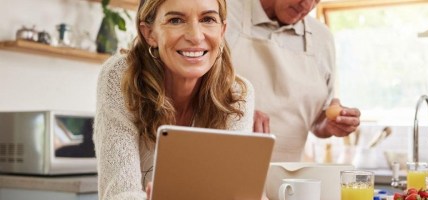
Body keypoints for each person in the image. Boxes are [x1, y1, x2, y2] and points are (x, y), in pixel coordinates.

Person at [92, 0, 254, 199]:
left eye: (208, 19)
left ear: (222, 30)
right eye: (176, 20)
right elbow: (118, 194)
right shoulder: (121, 77)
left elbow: (234, 191)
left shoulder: (237, 93)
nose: (195, 36)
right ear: (149, 33)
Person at [225, 0, 361, 162]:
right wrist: (236, 113)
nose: (307, 6)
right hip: (225, 166)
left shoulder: (322, 38)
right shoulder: (222, 12)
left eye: (316, 0)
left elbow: (316, 122)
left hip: (288, 178)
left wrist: (331, 124)